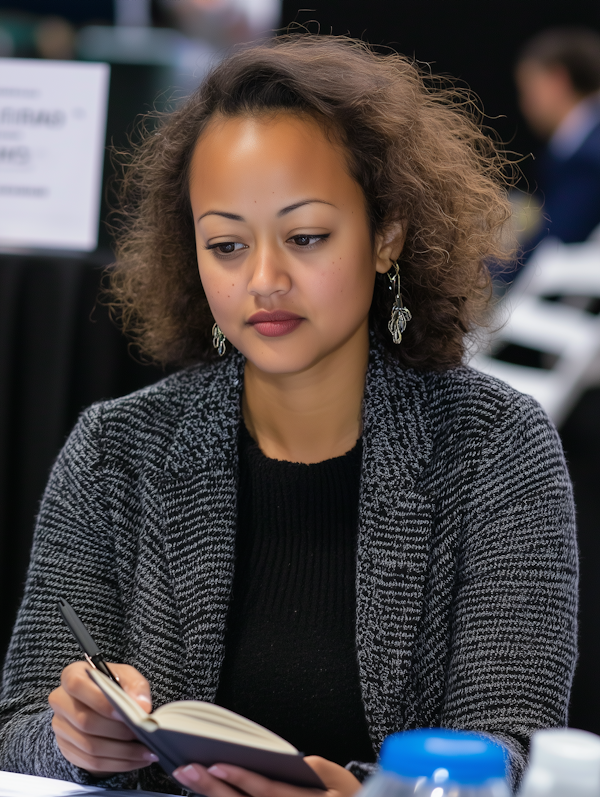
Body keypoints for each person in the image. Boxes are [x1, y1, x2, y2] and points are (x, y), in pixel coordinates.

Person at [0, 35, 577, 797]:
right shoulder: (115, 450)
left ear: (387, 234)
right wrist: (76, 735)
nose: (264, 279)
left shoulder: (496, 448)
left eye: (306, 237)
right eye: (227, 244)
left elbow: (514, 745)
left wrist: (365, 793)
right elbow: (19, 725)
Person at [515, 27, 600, 252]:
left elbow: (551, 242)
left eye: (528, 90)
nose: (524, 105)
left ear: (558, 81)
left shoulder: (587, 157)